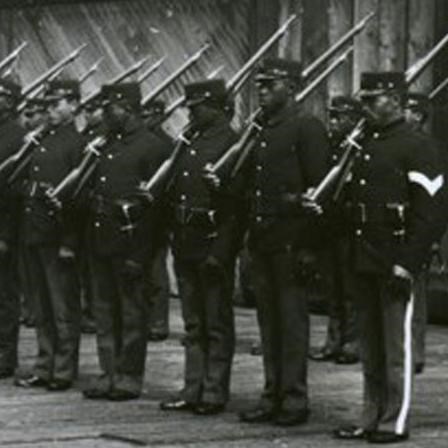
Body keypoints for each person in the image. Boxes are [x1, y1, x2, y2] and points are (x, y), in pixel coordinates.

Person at [206, 58, 329, 426]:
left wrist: (309, 246)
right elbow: (247, 187)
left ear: (291, 87)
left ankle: (293, 400)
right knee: (268, 324)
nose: (261, 91)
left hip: (291, 242)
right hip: (262, 241)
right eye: (259, 85)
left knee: (291, 325)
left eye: (269, 85)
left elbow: (319, 191)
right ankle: (271, 393)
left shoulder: (306, 128)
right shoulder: (260, 130)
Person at [330, 72, 447, 444]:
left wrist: (407, 263)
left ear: (395, 100)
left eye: (373, 100)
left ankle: (394, 420)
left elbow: (431, 213)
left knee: (396, 348)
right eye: (363, 100)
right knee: (371, 346)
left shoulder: (417, 146)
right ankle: (371, 415)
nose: (365, 107)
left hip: (396, 259)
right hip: (365, 257)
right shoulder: (365, 144)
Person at [83, 83, 171, 401]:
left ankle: (129, 377)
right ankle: (109, 373)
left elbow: (155, 208)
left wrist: (140, 253)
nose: (106, 114)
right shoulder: (107, 144)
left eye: (112, 108)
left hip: (131, 241)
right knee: (105, 312)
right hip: (102, 238)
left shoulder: (151, 146)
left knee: (132, 314)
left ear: (129, 109)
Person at [160, 79, 239, 415]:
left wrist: (221, 252)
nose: (191, 113)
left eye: (197, 107)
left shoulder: (233, 144)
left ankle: (214, 391)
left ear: (216, 107)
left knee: (216, 322)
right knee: (193, 322)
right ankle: (192, 387)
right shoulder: (190, 141)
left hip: (211, 242)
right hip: (186, 239)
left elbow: (237, 208)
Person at [15, 80, 84, 391]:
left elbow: (77, 198)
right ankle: (44, 366)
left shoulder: (78, 144)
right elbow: (19, 181)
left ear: (74, 105)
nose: (51, 112)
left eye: (58, 105)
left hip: (57, 237)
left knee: (61, 308)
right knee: (41, 307)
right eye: (49, 106)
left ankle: (64, 369)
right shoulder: (41, 140)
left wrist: (70, 241)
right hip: (34, 232)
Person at [309, 96, 361, 365]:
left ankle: (352, 342)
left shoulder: (358, 149)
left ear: (353, 121)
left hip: (349, 229)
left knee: (350, 288)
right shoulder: (330, 148)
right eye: (332, 117)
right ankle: (333, 339)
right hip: (328, 226)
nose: (333, 123)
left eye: (339, 118)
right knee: (332, 287)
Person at [0, 79, 27, 379]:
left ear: (10, 101)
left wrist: (6, 235)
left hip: (3, 227)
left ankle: (6, 356)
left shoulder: (18, 137)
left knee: (5, 295)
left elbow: (12, 190)